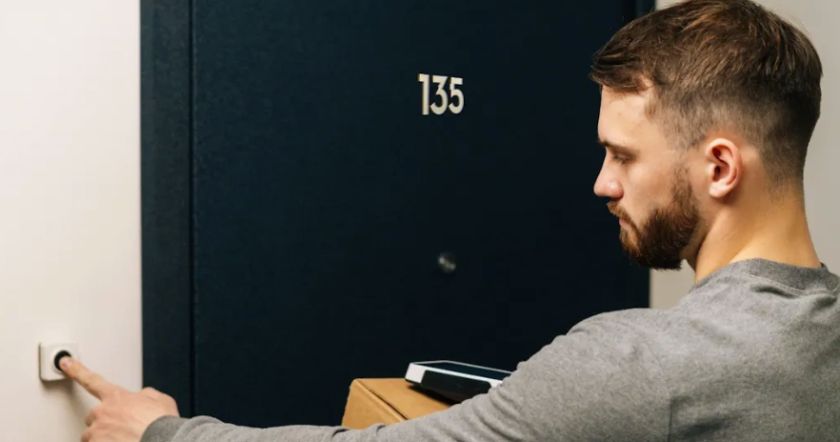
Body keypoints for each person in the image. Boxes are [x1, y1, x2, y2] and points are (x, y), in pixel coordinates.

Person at [61, 0, 840, 440]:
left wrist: (162, 433)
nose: (602, 183)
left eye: (623, 155)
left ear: (719, 167)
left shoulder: (644, 367)